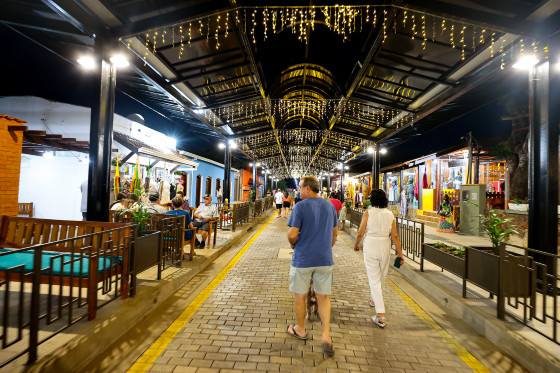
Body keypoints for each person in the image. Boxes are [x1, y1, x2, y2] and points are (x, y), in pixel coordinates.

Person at [286, 176, 338, 357]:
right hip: (324, 259)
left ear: (308, 188)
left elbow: (292, 234)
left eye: (300, 188)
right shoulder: (330, 206)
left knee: (300, 297)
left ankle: (300, 329)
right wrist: (325, 248)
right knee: (323, 298)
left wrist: (293, 244)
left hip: (303, 259)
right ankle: (326, 335)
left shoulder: (300, 206)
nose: (298, 191)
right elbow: (334, 233)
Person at [353, 189, 404, 328]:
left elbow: (360, 232)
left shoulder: (368, 213)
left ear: (372, 200)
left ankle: (381, 315)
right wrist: (400, 254)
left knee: (374, 278)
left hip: (371, 244)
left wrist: (357, 244)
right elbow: (395, 236)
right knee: (381, 275)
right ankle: (374, 299)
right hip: (385, 245)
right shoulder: (390, 214)